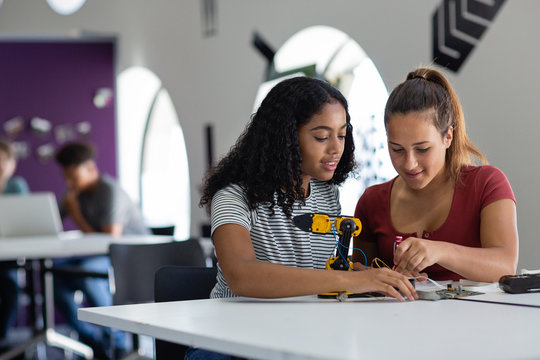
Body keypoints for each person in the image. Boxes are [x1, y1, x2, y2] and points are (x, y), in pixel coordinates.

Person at [193, 76, 417, 359]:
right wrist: (348, 282)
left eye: (342, 134)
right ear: (285, 138)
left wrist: (358, 275)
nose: (336, 148)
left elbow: (318, 276)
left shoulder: (326, 194)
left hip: (300, 337)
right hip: (231, 342)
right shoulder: (233, 196)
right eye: (322, 137)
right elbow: (241, 275)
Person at [353, 67, 518, 282]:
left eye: (422, 149)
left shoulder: (487, 183)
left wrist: (438, 251)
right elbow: (362, 280)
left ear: (448, 136)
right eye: (397, 149)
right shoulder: (371, 202)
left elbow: (505, 266)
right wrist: (388, 277)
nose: (410, 164)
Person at [53, 142, 149, 359]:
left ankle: (117, 340)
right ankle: (91, 340)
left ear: (91, 169)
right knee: (55, 275)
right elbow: (54, 220)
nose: (68, 183)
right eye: (65, 177)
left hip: (129, 255)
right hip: (102, 255)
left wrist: (75, 213)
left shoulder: (110, 192)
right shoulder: (76, 193)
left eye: (72, 176)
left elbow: (109, 239)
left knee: (88, 275)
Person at [0, 139, 29, 342]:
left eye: (4, 160)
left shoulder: (17, 187)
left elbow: (22, 223)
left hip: (8, 255)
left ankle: (1, 338)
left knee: (9, 286)